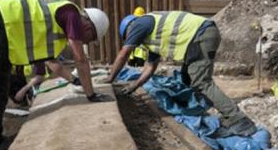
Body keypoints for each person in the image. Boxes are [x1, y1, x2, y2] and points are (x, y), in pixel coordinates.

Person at [0, 0, 110, 150]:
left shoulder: (53, 22)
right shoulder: (71, 14)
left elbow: (53, 63)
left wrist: (74, 80)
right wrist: (91, 94)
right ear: (88, 27)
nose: (86, 43)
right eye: (90, 39)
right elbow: (80, 59)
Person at [103, 11, 257, 137]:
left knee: (201, 82)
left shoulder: (140, 23)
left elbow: (124, 53)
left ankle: (240, 121)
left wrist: (110, 78)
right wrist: (134, 86)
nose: (133, 40)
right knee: (187, 77)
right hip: (201, 35)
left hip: (201, 35)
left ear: (129, 28)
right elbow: (150, 67)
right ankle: (206, 111)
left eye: (128, 36)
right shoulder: (151, 38)